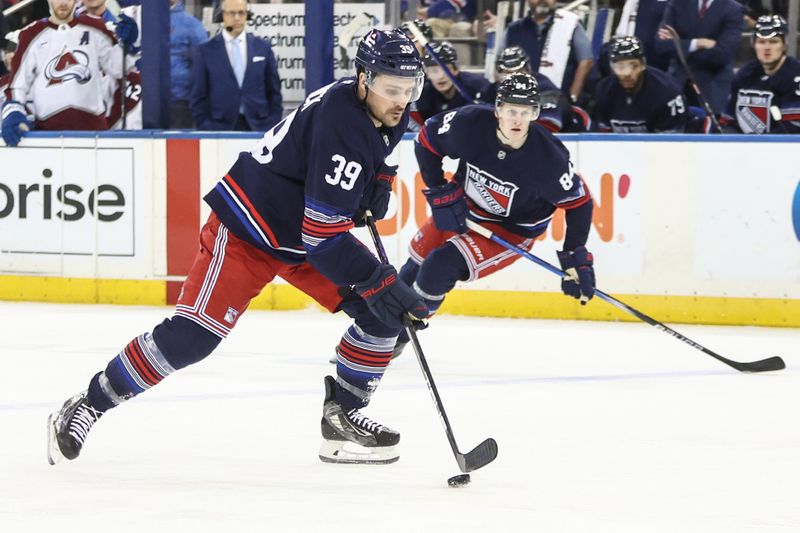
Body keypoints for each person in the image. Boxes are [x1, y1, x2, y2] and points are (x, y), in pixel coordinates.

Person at [46, 28, 428, 468]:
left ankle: (342, 418)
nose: (400, 99)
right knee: (193, 338)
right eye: (389, 88)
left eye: (408, 88)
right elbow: (324, 237)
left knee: (382, 317)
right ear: (363, 79)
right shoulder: (343, 121)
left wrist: (379, 178)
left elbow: (382, 143)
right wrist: (380, 279)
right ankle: (89, 403)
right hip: (250, 228)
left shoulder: (380, 106)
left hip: (301, 237)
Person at [393, 73, 595, 358]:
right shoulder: (469, 123)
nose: (517, 119)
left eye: (525, 112)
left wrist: (575, 255)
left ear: (535, 113)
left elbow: (580, 203)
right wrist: (439, 192)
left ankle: (398, 337)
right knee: (410, 270)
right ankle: (376, 333)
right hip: (462, 209)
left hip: (509, 232)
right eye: (511, 110)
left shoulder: (549, 159)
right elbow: (426, 139)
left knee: (437, 268)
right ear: (498, 108)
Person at [0, 0, 138, 146]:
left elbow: (118, 68)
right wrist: (13, 110)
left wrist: (128, 45)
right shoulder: (31, 34)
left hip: (94, 131)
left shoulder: (96, 27)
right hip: (48, 133)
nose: (63, 3)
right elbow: (17, 85)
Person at [190, 0, 282, 131]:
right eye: (232, 13)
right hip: (219, 128)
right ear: (222, 15)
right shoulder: (206, 51)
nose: (237, 18)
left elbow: (274, 92)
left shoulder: (262, 48)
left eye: (241, 13)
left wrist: (272, 123)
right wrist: (206, 126)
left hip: (259, 126)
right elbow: (198, 95)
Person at [654, 0, 744, 116]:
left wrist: (680, 46)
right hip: (677, 86)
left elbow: (723, 55)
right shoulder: (677, 3)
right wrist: (698, 43)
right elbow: (661, 46)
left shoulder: (733, 9)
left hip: (712, 88)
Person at [478, 45, 590, 133]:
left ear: (528, 70)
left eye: (518, 71)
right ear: (497, 74)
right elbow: (478, 122)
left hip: (567, 142)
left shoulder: (545, 88)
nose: (513, 78)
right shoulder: (489, 92)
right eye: (506, 73)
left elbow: (549, 127)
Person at [594, 36, 692, 133]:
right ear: (611, 67)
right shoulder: (603, 90)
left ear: (643, 64)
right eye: (620, 66)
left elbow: (670, 144)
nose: (627, 73)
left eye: (633, 65)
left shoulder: (668, 92)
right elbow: (604, 139)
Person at [720, 15, 800, 134]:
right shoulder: (745, 74)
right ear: (754, 44)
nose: (767, 48)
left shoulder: (795, 75)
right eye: (761, 42)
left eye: (773, 42)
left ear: (784, 45)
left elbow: (793, 127)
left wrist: (760, 145)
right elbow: (729, 121)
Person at [502, 0, 594, 103]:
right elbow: (500, 67)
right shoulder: (513, 29)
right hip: (520, 104)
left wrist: (572, 97)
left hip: (559, 104)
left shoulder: (570, 25)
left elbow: (586, 61)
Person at [413, 40, 489, 122]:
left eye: (446, 70)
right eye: (434, 71)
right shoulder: (423, 94)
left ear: (456, 70)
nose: (441, 76)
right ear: (427, 74)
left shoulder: (478, 86)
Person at [169, 0, 207, 128]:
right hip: (146, 101)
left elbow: (202, 64)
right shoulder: (143, 20)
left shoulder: (191, 24)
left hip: (181, 101)